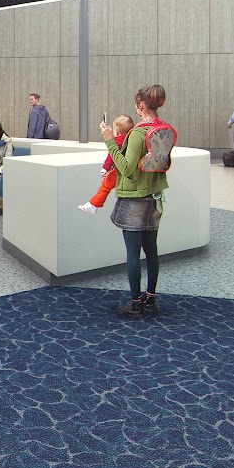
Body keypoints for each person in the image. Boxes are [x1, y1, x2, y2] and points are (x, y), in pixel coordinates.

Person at [81, 85, 177, 318]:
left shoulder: (137, 134)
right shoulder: (163, 129)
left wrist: (109, 140)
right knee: (151, 251)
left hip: (134, 199)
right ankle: (150, 299)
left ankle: (135, 304)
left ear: (141, 105)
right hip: (155, 198)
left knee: (133, 253)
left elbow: (126, 168)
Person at [86, 116, 135, 210]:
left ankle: (94, 204)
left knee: (105, 187)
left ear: (117, 131)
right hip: (130, 170)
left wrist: (104, 169)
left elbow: (111, 157)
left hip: (117, 171)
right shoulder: (133, 140)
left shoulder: (116, 142)